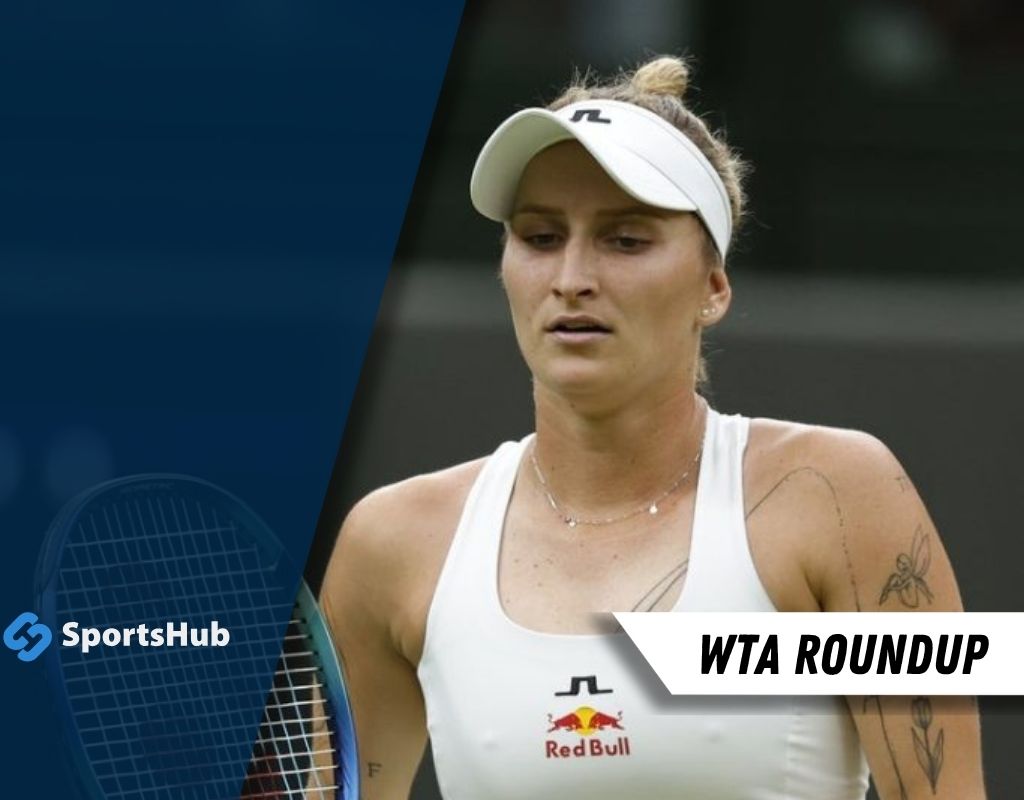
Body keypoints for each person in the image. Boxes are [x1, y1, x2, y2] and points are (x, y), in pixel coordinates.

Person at [320, 56, 985, 800]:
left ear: (713, 287)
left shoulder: (836, 494)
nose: (571, 278)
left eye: (626, 240)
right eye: (540, 237)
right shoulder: (392, 543)